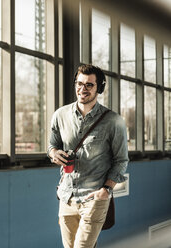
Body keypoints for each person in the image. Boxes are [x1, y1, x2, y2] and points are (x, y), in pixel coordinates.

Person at [48, 64, 129, 248]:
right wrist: (54, 154)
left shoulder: (113, 121)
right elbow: (52, 146)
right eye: (79, 83)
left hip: (94, 197)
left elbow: (121, 160)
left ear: (99, 88)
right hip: (66, 195)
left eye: (89, 85)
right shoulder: (60, 115)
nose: (82, 89)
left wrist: (106, 189)